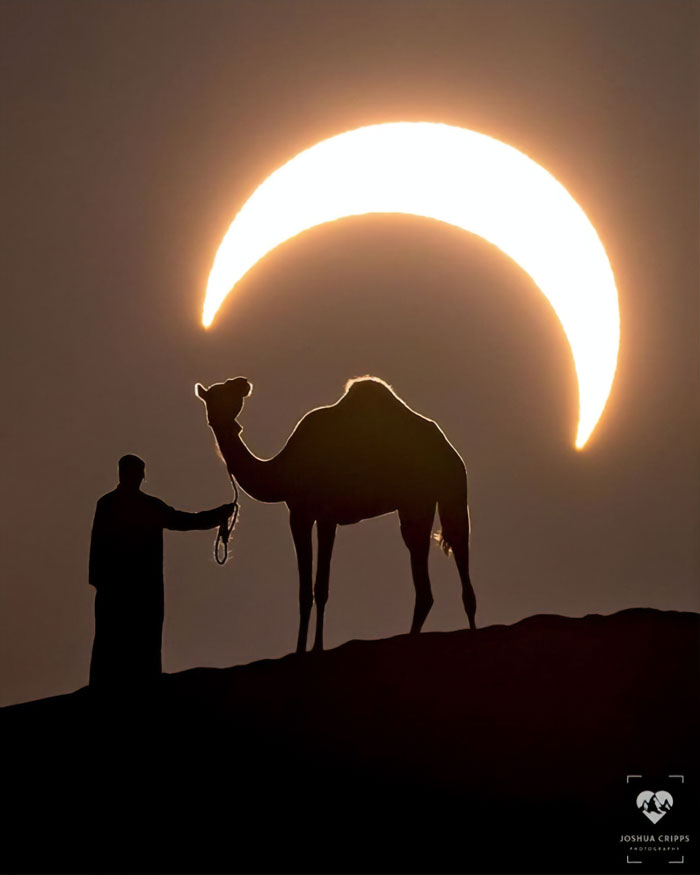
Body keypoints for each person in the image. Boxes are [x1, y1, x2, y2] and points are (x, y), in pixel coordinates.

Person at [88, 454, 234, 688]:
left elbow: (183, 521)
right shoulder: (136, 506)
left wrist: (217, 516)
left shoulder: (115, 505)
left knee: (123, 641)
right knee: (126, 641)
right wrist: (216, 516)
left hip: (122, 589)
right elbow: (183, 521)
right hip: (136, 589)